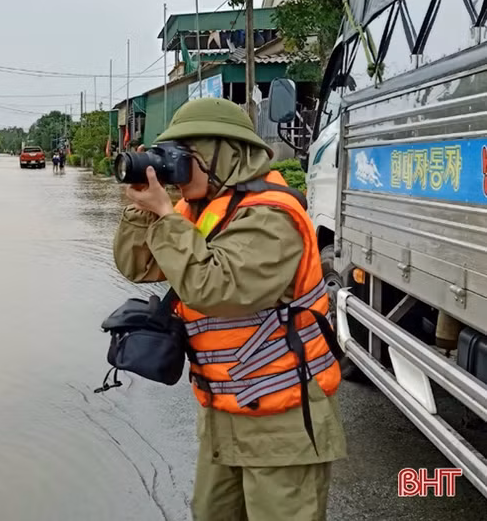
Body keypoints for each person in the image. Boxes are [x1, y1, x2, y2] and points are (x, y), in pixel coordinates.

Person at [112, 98, 347, 521]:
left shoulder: (272, 216)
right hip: (224, 412)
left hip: (284, 419)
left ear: (226, 153)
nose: (174, 170)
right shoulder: (198, 209)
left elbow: (214, 287)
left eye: (185, 158)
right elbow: (138, 265)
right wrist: (141, 210)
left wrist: (165, 217)